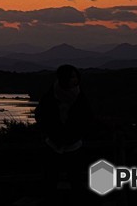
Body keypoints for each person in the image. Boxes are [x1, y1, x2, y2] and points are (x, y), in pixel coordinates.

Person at [35, 65, 95, 204]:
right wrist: (51, 132)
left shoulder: (80, 97)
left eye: (76, 77)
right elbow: (41, 115)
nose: (75, 80)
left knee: (76, 181)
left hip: (74, 145)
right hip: (53, 144)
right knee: (51, 181)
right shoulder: (50, 96)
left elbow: (87, 119)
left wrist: (76, 134)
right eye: (71, 77)